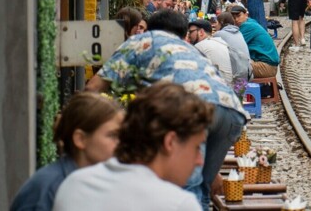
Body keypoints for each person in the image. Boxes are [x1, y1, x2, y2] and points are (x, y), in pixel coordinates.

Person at [84, 10, 246, 209]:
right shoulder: (188, 48)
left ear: (150, 29)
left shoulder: (140, 42)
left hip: (193, 109)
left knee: (186, 185)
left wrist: (81, 121)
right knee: (201, 187)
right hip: (231, 111)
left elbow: (94, 87)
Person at [53, 82, 212, 211]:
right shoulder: (179, 204)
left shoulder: (74, 184)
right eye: (197, 147)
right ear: (170, 142)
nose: (199, 161)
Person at [10, 93, 122, 211]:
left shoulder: (101, 182)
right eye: (112, 136)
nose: (121, 143)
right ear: (80, 139)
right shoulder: (49, 188)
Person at [232, 5, 280, 78]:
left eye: (239, 16)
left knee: (233, 68)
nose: (236, 20)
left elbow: (234, 45)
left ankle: (239, 88)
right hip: (268, 65)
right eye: (234, 18)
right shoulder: (251, 21)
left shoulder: (247, 26)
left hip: (266, 66)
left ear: (246, 14)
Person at [187, 19, 233, 85]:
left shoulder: (200, 46)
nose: (189, 35)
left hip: (215, 88)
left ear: (201, 32)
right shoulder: (220, 42)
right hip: (227, 87)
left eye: (191, 32)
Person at [213, 11, 252, 82]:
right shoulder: (238, 32)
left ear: (221, 22)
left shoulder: (219, 34)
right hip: (248, 74)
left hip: (236, 78)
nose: (215, 25)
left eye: (216, 22)